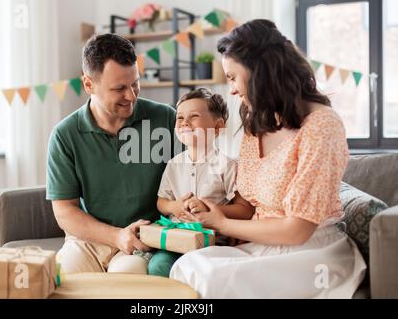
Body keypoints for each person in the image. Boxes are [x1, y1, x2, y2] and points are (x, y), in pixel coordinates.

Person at [169, 19, 366, 298]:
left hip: (311, 252)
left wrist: (222, 224)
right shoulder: (257, 123)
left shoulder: (322, 125)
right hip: (264, 245)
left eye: (233, 78)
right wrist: (210, 211)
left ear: (261, 72)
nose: (232, 90)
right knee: (186, 267)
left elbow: (297, 230)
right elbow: (247, 206)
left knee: (213, 279)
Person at [46, 33, 177, 274]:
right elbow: (65, 210)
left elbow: (193, 175)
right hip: (87, 242)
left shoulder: (166, 118)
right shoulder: (64, 135)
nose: (132, 95)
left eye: (135, 83)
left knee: (125, 280)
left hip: (144, 238)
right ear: (88, 85)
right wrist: (116, 236)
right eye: (119, 88)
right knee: (60, 280)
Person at [148, 88, 254, 278]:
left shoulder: (227, 165)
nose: (184, 122)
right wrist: (175, 206)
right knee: (157, 267)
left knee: (206, 273)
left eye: (194, 116)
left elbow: (245, 209)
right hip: (177, 238)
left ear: (217, 126)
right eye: (179, 118)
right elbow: (161, 202)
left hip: (212, 242)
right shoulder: (174, 165)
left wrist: (209, 209)